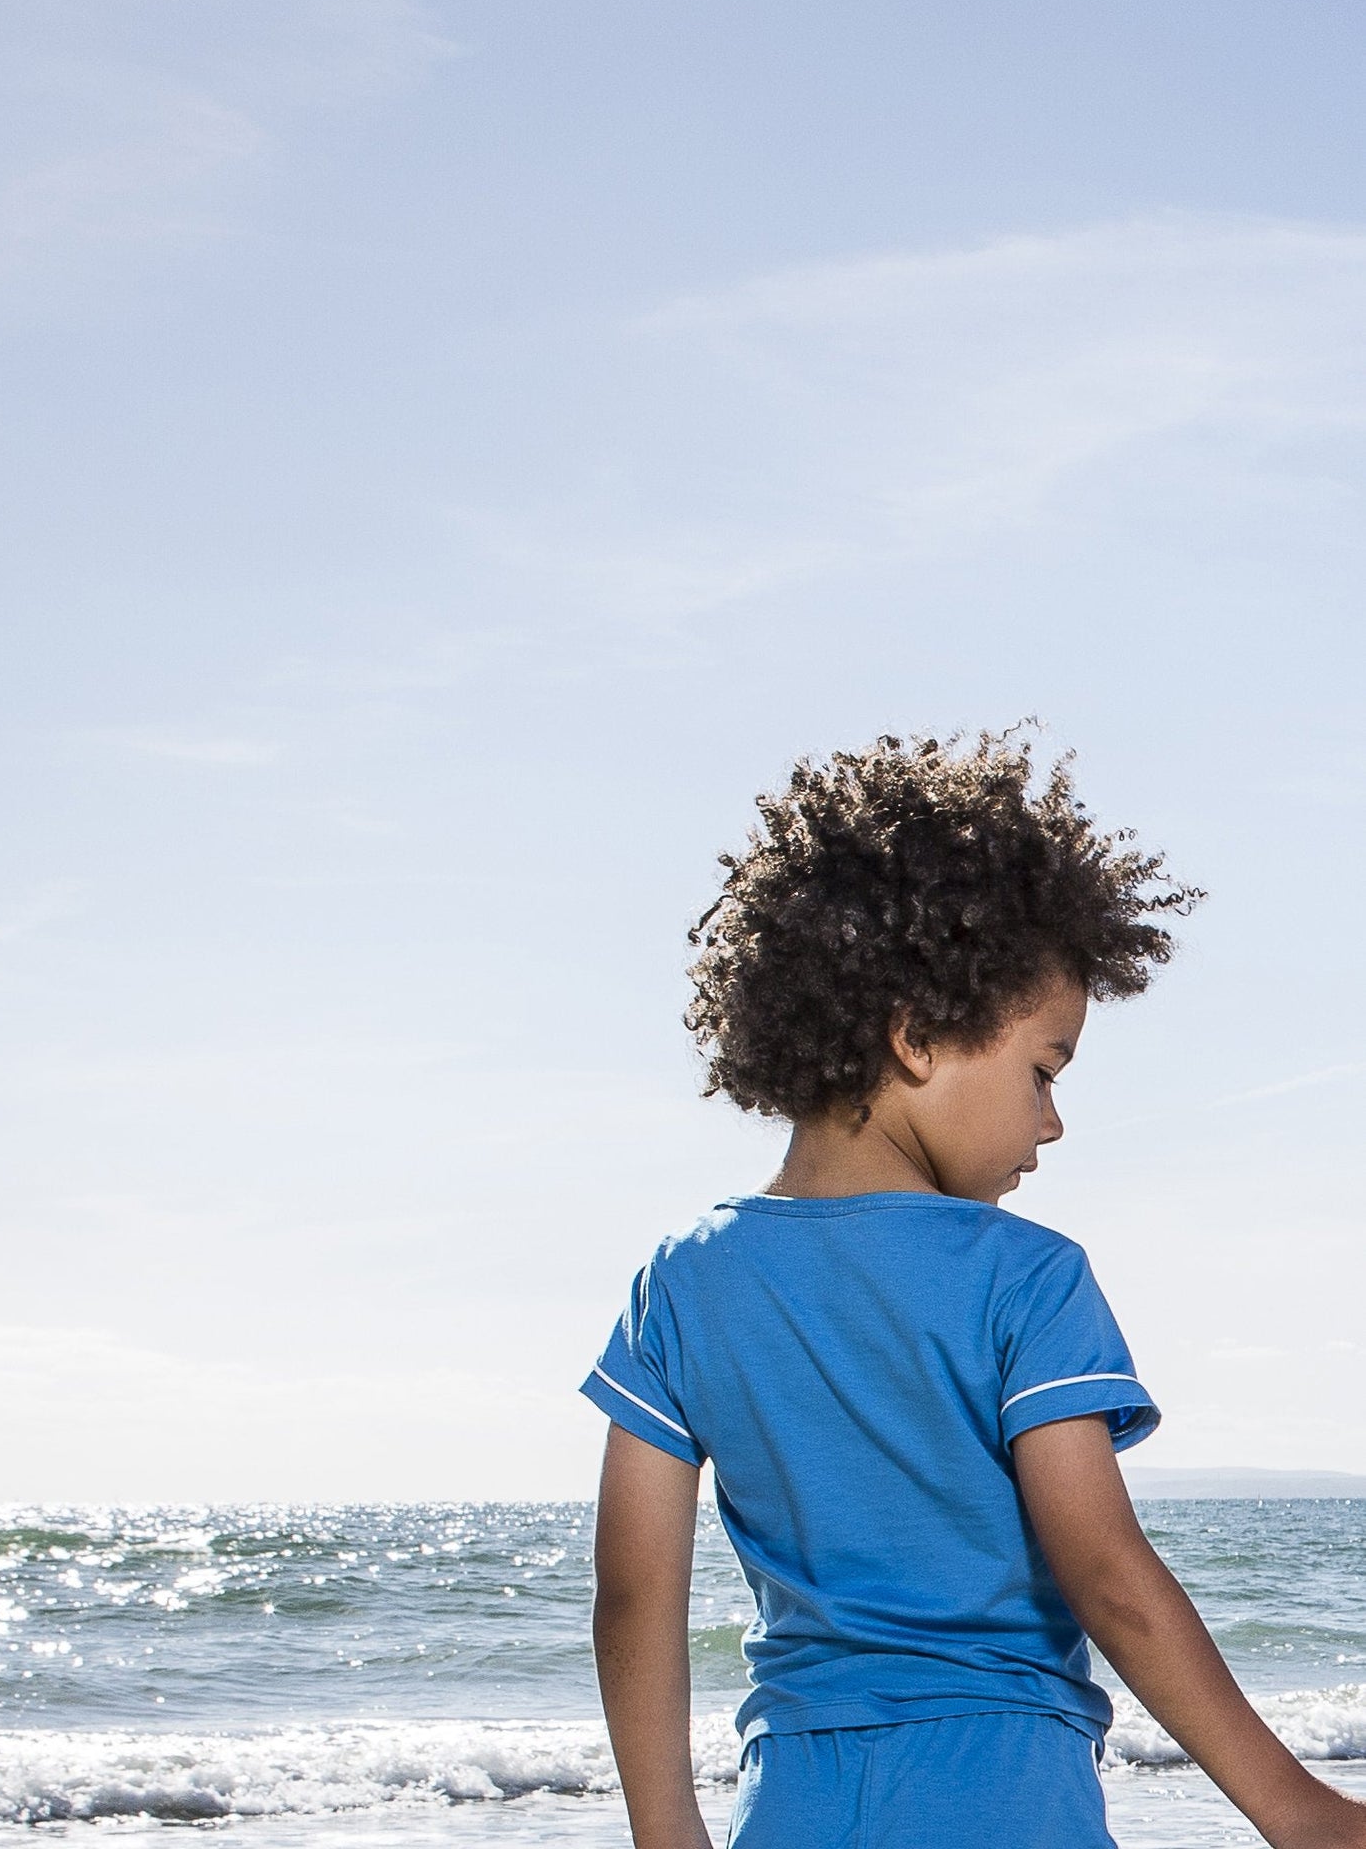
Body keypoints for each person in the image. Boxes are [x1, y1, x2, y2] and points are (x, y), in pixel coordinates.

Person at [584, 732, 1366, 1849]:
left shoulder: (681, 1281)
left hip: (794, 1805)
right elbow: (1106, 1572)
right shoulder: (1027, 1277)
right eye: (1041, 1071)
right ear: (915, 1036)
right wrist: (1299, 1810)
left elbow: (633, 1590)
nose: (1051, 1121)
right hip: (1007, 1796)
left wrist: (667, 1834)